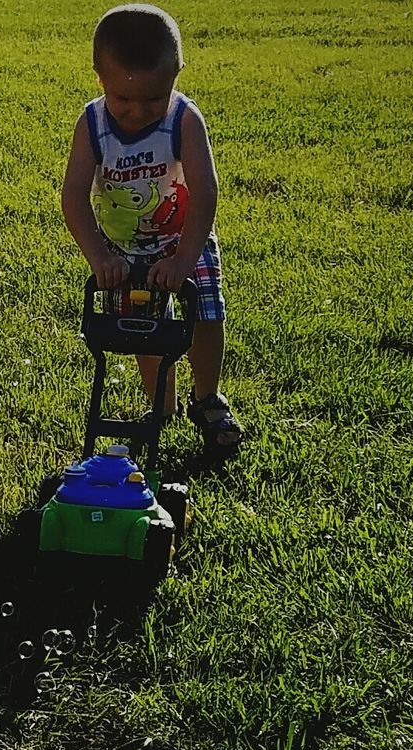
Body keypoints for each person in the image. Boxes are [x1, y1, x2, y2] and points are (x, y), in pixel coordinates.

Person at [61, 3, 243, 449]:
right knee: (142, 324)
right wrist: (99, 256)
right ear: (98, 76)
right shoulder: (93, 125)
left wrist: (183, 259)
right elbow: (73, 197)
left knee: (205, 311)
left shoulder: (184, 119)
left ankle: (207, 397)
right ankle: (161, 403)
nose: (139, 111)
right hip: (124, 248)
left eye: (153, 98)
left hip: (186, 238)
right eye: (124, 99)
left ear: (176, 75)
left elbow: (205, 191)